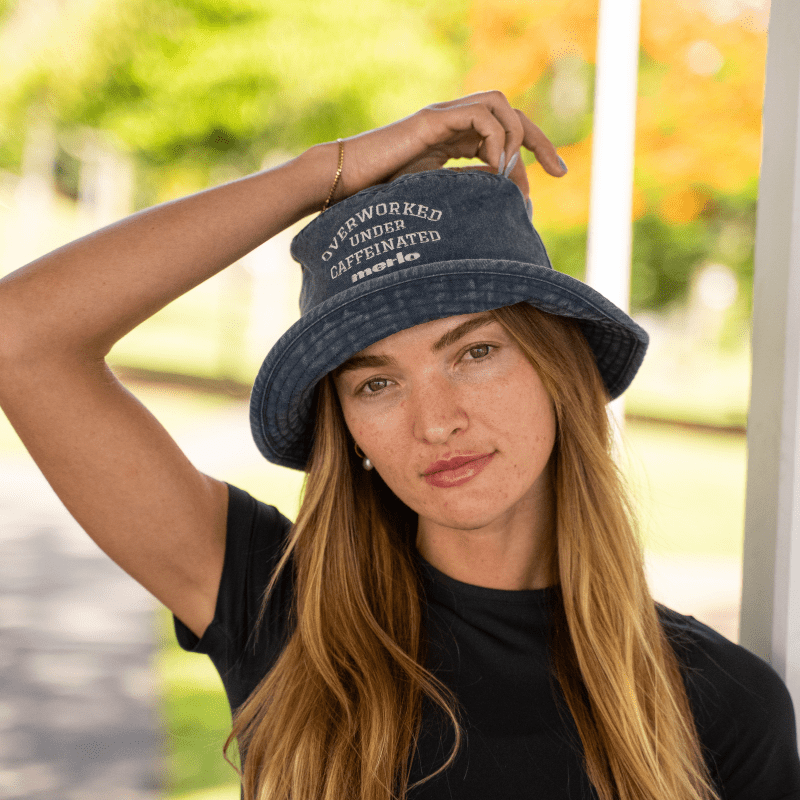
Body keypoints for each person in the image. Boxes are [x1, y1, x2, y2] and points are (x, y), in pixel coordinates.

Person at [0, 91, 798, 800]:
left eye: (475, 353)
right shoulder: (279, 607)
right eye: (375, 382)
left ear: (561, 369)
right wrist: (326, 173)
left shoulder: (719, 703)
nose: (435, 421)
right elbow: (21, 336)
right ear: (347, 427)